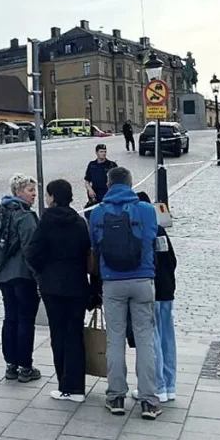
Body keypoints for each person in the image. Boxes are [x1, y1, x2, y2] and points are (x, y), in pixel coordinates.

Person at [89, 167, 162, 419]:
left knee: (115, 339)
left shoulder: (97, 212)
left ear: (108, 185)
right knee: (144, 339)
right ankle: (149, 400)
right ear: (131, 185)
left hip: (112, 282)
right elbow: (151, 239)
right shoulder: (147, 210)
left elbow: (95, 246)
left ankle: (116, 397)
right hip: (142, 279)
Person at [25, 179, 91, 402]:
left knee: (59, 334)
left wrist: (43, 271)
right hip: (77, 285)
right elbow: (87, 251)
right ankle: (77, 387)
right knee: (75, 334)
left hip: (53, 286)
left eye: (47, 194)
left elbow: (32, 253)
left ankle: (65, 386)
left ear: (53, 197)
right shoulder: (79, 222)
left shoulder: (47, 222)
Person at [0, 174, 41, 383]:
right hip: (23, 275)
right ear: (19, 192)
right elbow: (31, 249)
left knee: (10, 318)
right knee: (25, 320)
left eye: (34, 190)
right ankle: (25, 367)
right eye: (30, 190)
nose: (34, 194)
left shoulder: (1, 211)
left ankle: (10, 365)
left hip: (3, 274)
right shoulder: (25, 216)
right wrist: (39, 277)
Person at [137, 191, 178, 403]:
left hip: (152, 290)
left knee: (152, 340)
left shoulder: (141, 231)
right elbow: (172, 259)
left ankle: (158, 385)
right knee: (167, 339)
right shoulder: (160, 230)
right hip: (167, 289)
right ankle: (170, 386)